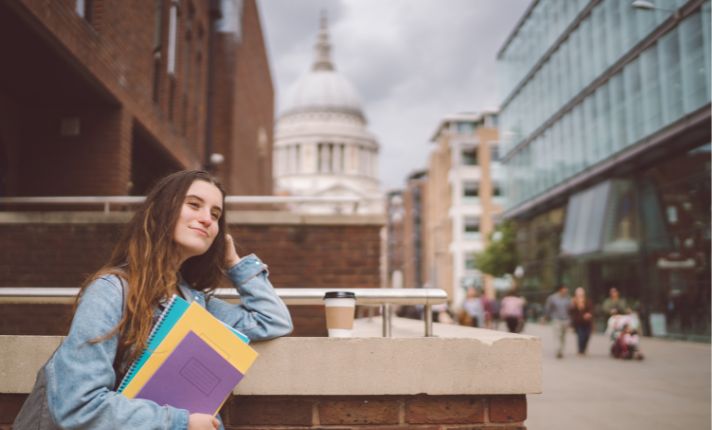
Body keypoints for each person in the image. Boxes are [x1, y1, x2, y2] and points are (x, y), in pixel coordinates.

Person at [16, 170, 293, 429]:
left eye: (216, 214)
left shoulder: (195, 303)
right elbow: (77, 405)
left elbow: (272, 320)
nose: (208, 218)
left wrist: (235, 263)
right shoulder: (112, 290)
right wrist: (182, 422)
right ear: (162, 211)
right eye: (194, 205)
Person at [545, 285, 571, 359]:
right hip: (556, 319)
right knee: (557, 336)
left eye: (566, 290)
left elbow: (570, 310)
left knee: (563, 337)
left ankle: (561, 350)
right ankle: (558, 351)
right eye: (564, 290)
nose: (565, 292)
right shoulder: (552, 298)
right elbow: (548, 308)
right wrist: (546, 317)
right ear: (560, 290)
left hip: (566, 320)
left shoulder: (568, 298)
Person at [569, 287, 594, 355]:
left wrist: (589, 314)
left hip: (587, 322)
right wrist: (576, 305)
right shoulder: (574, 302)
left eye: (581, 294)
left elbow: (591, 310)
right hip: (579, 323)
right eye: (578, 295)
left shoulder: (587, 301)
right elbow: (571, 312)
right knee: (581, 336)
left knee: (587, 335)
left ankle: (584, 348)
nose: (580, 296)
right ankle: (580, 350)